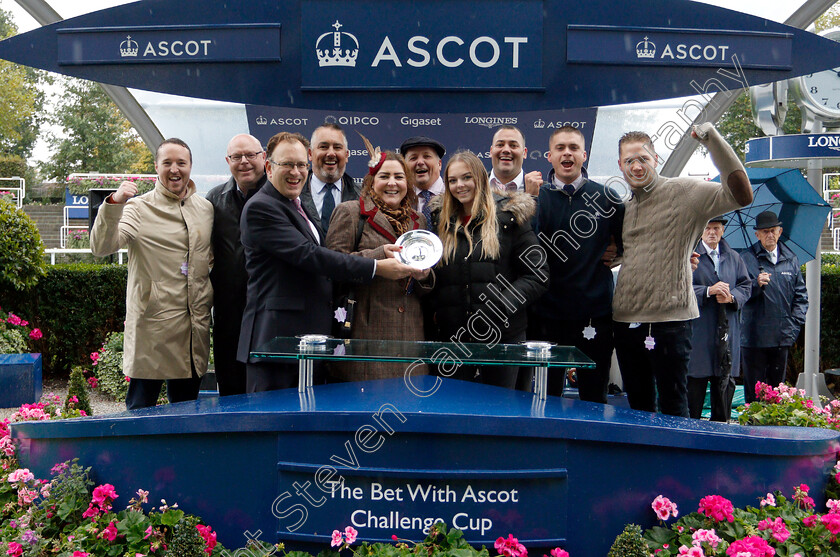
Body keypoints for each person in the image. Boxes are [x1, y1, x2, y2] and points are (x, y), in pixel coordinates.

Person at [236, 132, 418, 392]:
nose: (296, 172)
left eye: (301, 165)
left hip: (304, 342)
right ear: (268, 167)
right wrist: (376, 266)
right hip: (276, 344)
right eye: (287, 164)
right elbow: (310, 255)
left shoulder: (292, 205)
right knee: (276, 424)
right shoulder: (261, 207)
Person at [612, 123, 752, 417]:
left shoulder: (684, 192)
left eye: (643, 159)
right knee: (636, 409)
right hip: (625, 323)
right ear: (620, 166)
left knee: (675, 407)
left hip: (672, 323)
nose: (636, 167)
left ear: (656, 159)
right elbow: (618, 256)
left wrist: (712, 139)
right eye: (629, 161)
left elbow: (741, 195)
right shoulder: (625, 208)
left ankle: (675, 463)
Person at [90, 138, 213, 410]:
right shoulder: (138, 207)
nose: (174, 169)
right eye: (167, 162)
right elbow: (102, 248)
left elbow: (210, 257)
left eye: (181, 162)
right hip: (153, 329)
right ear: (156, 166)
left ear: (190, 166)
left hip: (193, 329)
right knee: (140, 411)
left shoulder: (205, 209)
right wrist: (114, 203)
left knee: (186, 413)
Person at [429, 150, 549, 389]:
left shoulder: (509, 216)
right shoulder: (439, 221)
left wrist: (500, 307)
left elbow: (538, 274)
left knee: (501, 414)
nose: (459, 185)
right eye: (452, 180)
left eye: (466, 177)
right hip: (454, 341)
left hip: (503, 337)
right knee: (456, 415)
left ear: (481, 178)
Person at [531, 125, 624, 401]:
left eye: (573, 148)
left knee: (594, 397)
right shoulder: (537, 199)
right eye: (560, 148)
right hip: (545, 315)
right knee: (544, 399)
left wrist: (616, 254)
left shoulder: (608, 197)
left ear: (584, 155)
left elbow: (627, 244)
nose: (567, 153)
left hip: (594, 313)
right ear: (549, 155)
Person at [326, 145, 432, 381]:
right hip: (365, 335)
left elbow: (429, 277)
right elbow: (332, 266)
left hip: (410, 338)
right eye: (384, 176)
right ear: (371, 182)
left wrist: (424, 276)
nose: (392, 183)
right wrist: (378, 259)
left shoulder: (419, 220)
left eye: (399, 177)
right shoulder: (351, 212)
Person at [206, 134, 266, 396]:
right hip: (229, 314)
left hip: (268, 311)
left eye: (251, 155)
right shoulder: (215, 200)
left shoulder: (280, 195)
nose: (244, 162)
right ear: (227, 161)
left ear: (263, 157)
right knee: (230, 389)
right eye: (237, 157)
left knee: (267, 390)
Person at [740, 210, 808, 402]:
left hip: (781, 337)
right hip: (754, 339)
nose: (770, 235)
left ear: (780, 231)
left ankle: (774, 431)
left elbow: (801, 296)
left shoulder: (791, 259)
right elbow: (737, 294)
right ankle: (753, 430)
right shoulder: (746, 258)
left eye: (773, 230)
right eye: (765, 231)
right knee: (754, 395)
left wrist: (793, 327)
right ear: (757, 234)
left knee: (777, 392)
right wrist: (755, 284)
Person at [688, 217, 751, 421]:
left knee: (724, 384)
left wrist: (732, 297)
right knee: (695, 386)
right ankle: (691, 436)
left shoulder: (734, 257)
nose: (712, 232)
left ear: (723, 230)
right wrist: (707, 291)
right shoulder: (690, 256)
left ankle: (720, 434)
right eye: (707, 228)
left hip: (726, 331)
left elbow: (745, 286)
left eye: (716, 228)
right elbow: (681, 287)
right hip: (700, 330)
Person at [299, 124, 360, 237]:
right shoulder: (293, 195)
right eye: (323, 147)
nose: (331, 153)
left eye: (337, 147)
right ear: (310, 154)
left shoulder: (363, 197)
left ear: (346, 155)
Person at [400, 136, 446, 229]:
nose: (420, 162)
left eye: (427, 156)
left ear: (439, 164)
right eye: (413, 158)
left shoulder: (454, 196)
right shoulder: (399, 200)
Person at [488, 125, 543, 195]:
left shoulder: (542, 191)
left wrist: (533, 197)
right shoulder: (475, 186)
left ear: (524, 153)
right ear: (491, 151)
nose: (506, 150)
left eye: (513, 145)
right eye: (500, 145)